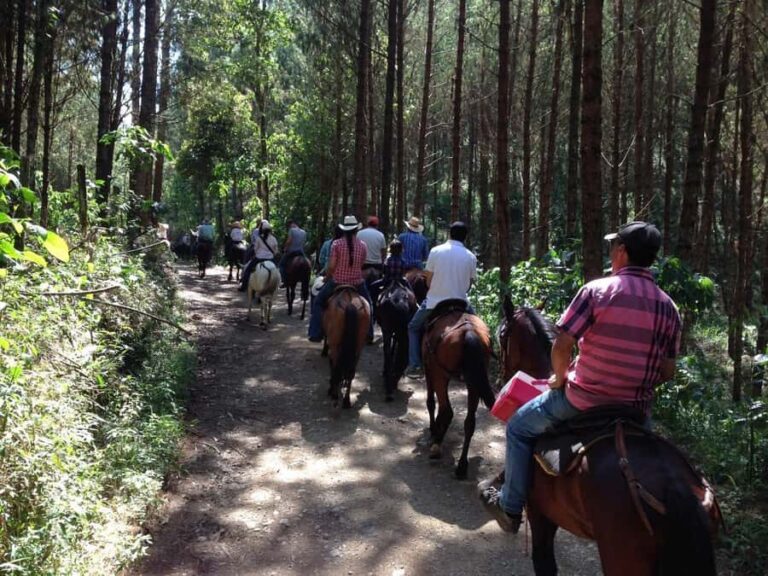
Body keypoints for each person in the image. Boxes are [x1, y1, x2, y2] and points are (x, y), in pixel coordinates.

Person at [478, 221, 682, 534]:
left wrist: (560, 378)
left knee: (519, 427)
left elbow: (562, 345)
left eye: (614, 246)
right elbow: (666, 372)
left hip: (582, 399)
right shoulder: (669, 308)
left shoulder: (597, 290)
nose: (612, 252)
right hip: (635, 411)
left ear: (622, 252)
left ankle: (510, 506)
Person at [404, 221, 477, 376]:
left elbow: (428, 280)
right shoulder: (471, 256)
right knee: (479, 329)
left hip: (435, 301)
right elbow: (469, 285)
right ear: (465, 237)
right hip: (461, 302)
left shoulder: (436, 251)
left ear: (449, 234)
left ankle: (415, 365)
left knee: (413, 327)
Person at [308, 215, 373, 342]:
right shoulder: (363, 245)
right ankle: (369, 333)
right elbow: (361, 264)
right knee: (369, 304)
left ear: (344, 230)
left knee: (318, 302)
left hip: (337, 282)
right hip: (357, 283)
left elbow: (331, 266)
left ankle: (316, 333)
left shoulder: (336, 244)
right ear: (356, 230)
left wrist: (327, 278)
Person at [239, 220, 279, 292]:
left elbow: (256, 249)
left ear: (262, 230)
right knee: (277, 270)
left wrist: (258, 254)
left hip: (259, 258)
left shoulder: (259, 238)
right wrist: (272, 254)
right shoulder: (274, 239)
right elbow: (276, 250)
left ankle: (243, 286)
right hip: (270, 258)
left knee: (248, 270)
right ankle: (278, 284)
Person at [369, 239, 405, 304]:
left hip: (387, 281)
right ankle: (415, 304)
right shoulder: (402, 260)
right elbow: (403, 272)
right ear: (400, 250)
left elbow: (384, 271)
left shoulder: (388, 260)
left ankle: (373, 304)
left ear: (391, 249)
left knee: (372, 286)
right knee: (411, 289)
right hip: (400, 280)